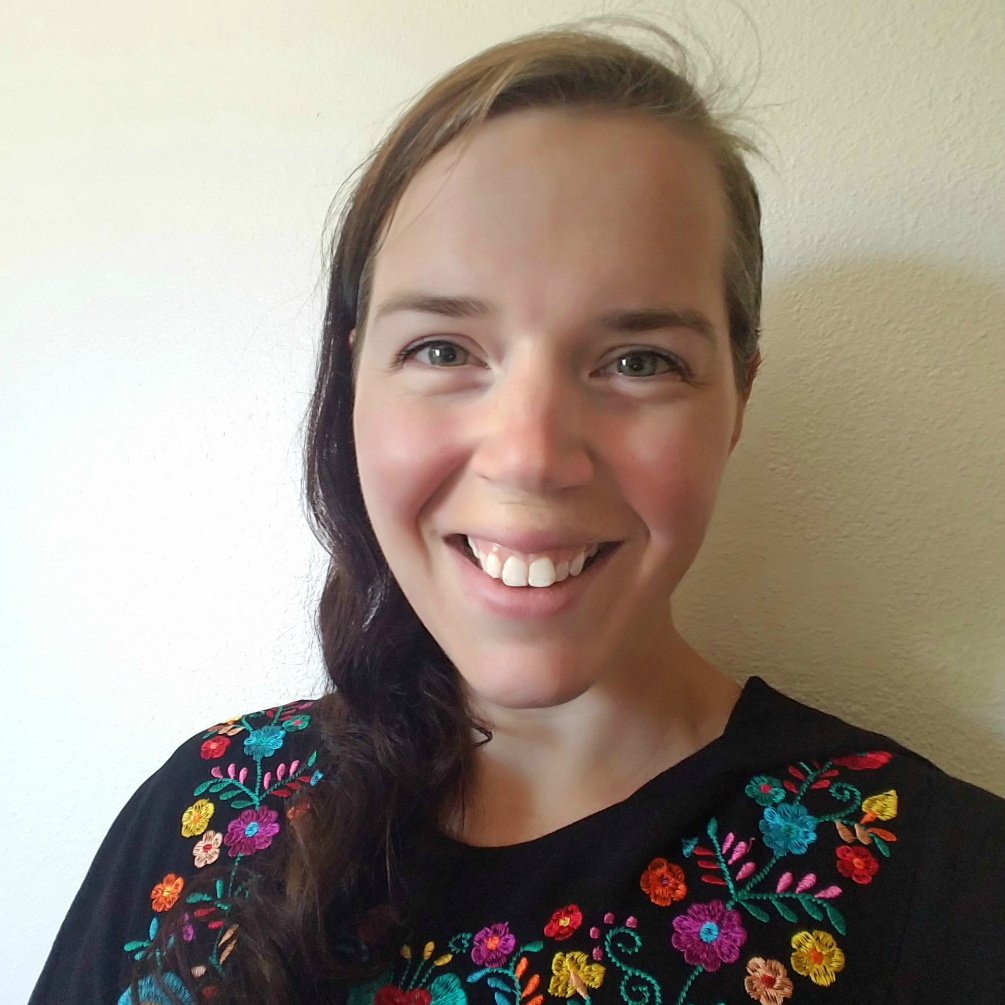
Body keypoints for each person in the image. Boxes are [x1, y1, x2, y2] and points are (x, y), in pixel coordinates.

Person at [29, 18, 1005, 1005]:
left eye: (638, 361)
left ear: (738, 400)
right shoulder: (198, 812)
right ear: (356, 376)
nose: (531, 457)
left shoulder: (938, 879)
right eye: (446, 350)